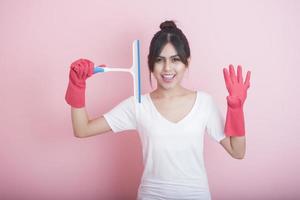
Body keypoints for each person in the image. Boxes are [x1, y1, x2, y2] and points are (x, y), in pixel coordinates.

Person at [65, 20, 251, 200]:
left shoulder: (204, 103)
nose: (167, 68)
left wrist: (236, 109)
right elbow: (83, 129)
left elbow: (237, 151)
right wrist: (77, 87)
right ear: (150, 64)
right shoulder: (138, 105)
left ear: (187, 62)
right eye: (160, 60)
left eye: (175, 60)